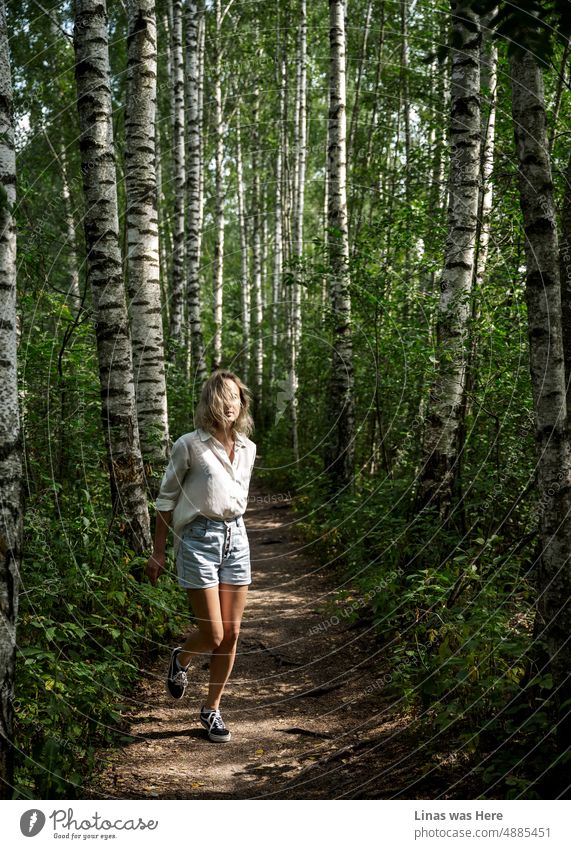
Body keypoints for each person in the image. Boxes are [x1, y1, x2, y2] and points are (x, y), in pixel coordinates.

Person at [145, 369, 256, 743]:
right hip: (196, 538)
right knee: (213, 631)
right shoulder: (189, 445)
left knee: (233, 633)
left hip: (236, 537)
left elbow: (234, 500)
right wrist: (158, 550)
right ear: (211, 401)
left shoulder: (248, 449)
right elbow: (165, 500)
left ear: (242, 403)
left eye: (235, 397)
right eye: (222, 396)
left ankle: (212, 710)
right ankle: (182, 657)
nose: (229, 404)